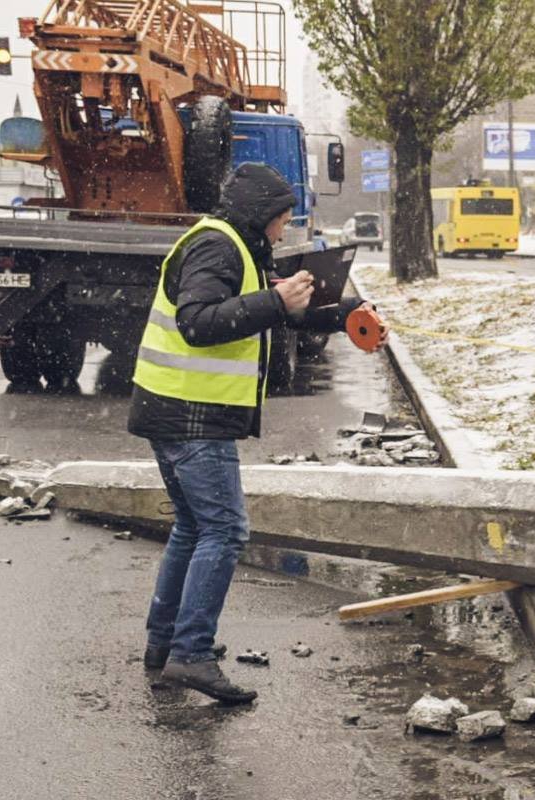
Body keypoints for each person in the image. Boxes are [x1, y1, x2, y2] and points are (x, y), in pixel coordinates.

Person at [128, 162, 387, 704]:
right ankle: (191, 656)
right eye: (281, 218)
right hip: (191, 414)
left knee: (194, 528)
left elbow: (277, 314)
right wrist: (275, 301)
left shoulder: (236, 247)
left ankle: (165, 644)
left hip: (174, 408)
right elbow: (197, 321)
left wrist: (344, 314)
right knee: (223, 531)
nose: (283, 228)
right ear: (259, 214)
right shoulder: (217, 247)